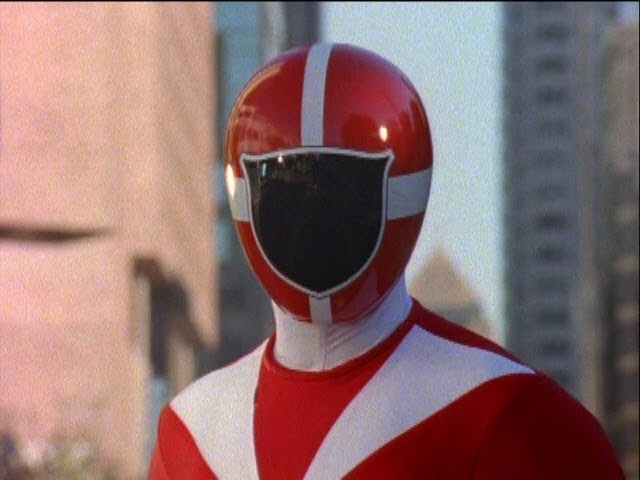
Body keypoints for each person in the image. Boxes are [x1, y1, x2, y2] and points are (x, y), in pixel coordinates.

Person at [148, 42, 624, 479]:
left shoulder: (515, 416)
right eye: (289, 189)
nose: (313, 216)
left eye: (337, 193)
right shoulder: (192, 432)